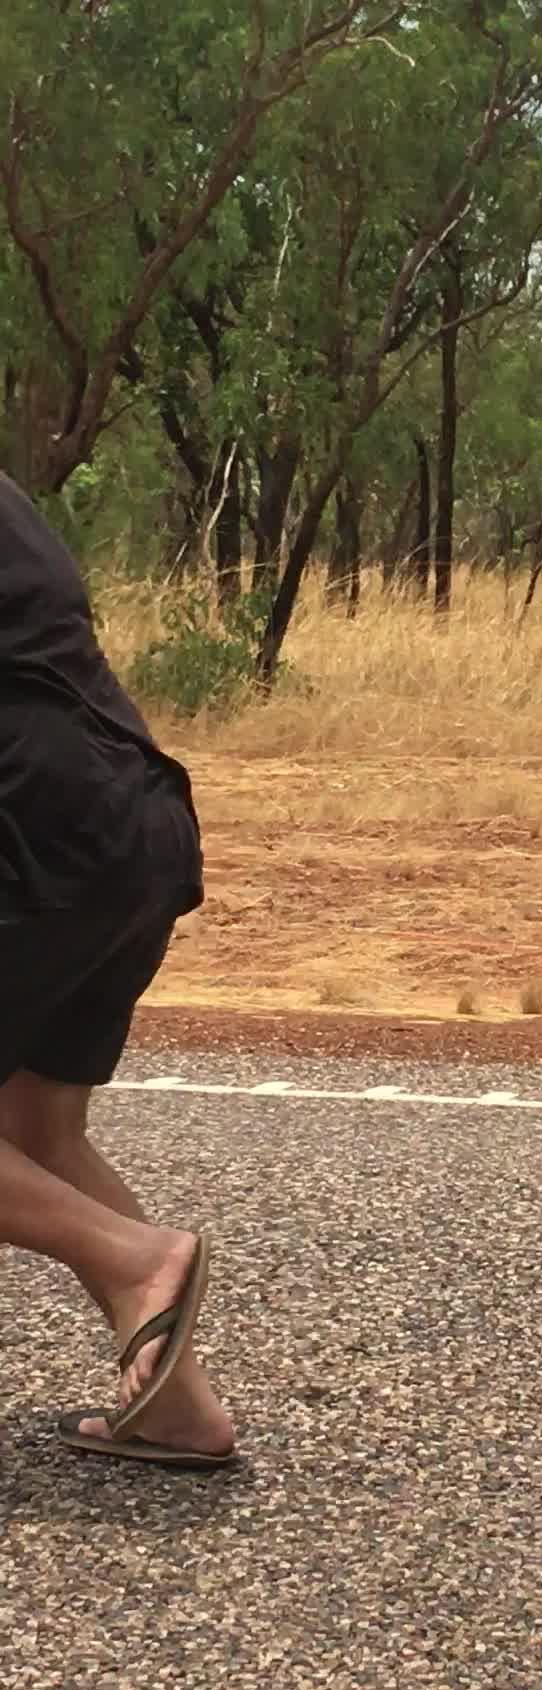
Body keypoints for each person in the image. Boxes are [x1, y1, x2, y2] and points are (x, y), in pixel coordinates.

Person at [0, 467, 234, 1469]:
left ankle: (139, 1259)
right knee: (38, 1132)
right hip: (133, 814)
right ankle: (179, 1409)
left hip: (29, 825)